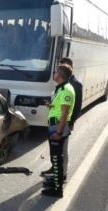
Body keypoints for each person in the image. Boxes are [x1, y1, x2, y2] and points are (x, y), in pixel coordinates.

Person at [41, 57, 83, 184]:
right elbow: (61, 104)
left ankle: (61, 176)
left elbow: (72, 108)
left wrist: (69, 124)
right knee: (56, 152)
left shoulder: (71, 86)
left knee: (61, 151)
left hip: (61, 124)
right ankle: (56, 173)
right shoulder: (61, 86)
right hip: (56, 123)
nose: (55, 72)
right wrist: (51, 105)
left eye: (57, 69)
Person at [41, 64, 75, 198]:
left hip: (58, 127)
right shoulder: (61, 89)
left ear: (59, 75)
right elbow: (60, 108)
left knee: (56, 158)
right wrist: (51, 105)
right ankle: (56, 181)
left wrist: (59, 133)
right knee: (54, 157)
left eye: (55, 72)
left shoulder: (66, 90)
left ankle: (57, 189)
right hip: (54, 126)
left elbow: (65, 114)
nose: (54, 74)